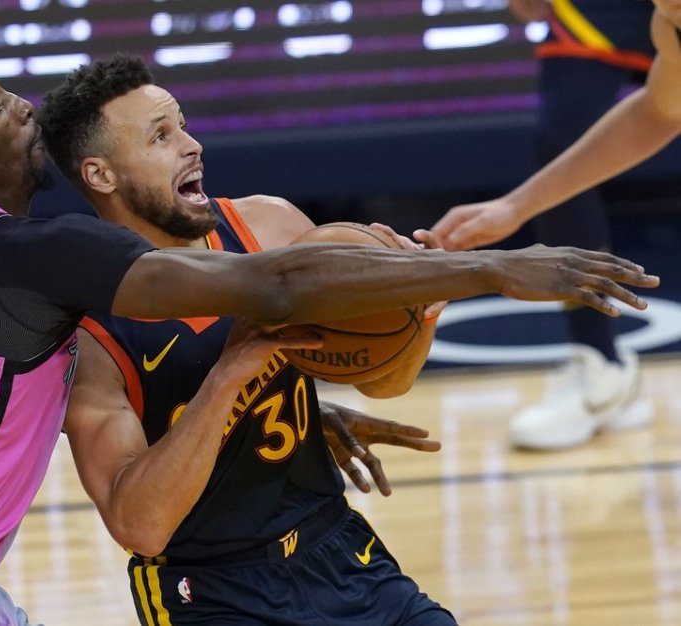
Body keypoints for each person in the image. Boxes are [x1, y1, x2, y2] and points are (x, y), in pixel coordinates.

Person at [0, 44, 658, 626]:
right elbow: (274, 289)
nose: (20, 104)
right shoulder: (30, 259)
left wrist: (306, 406)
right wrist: (495, 269)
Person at [35, 55, 642, 625]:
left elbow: (386, 381)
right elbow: (140, 527)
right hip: (213, 592)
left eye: (184, 126)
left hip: (340, 549)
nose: (192, 145)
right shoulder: (93, 333)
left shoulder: (271, 226)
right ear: (101, 174)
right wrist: (227, 379)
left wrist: (417, 317)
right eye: (160, 136)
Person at [429, 0, 677, 450]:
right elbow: (660, 112)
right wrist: (515, 207)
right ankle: (600, 363)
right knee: (561, 136)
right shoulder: (670, 21)